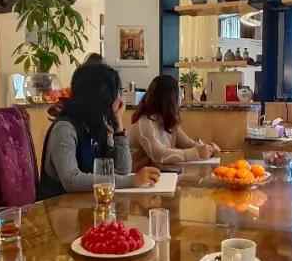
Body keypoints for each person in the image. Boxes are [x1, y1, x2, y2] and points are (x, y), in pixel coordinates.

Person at [39, 62, 160, 198]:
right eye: (116, 93)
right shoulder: (65, 129)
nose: (119, 99)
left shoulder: (97, 125)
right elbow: (71, 180)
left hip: (88, 204)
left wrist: (118, 125)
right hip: (59, 206)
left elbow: (122, 170)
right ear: (102, 98)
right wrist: (132, 181)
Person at [130, 75, 219, 169]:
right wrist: (196, 153)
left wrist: (208, 149)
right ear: (170, 99)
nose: (180, 100)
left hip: (159, 174)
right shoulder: (144, 122)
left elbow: (187, 144)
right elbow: (159, 155)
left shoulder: (167, 120)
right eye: (178, 95)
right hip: (138, 176)